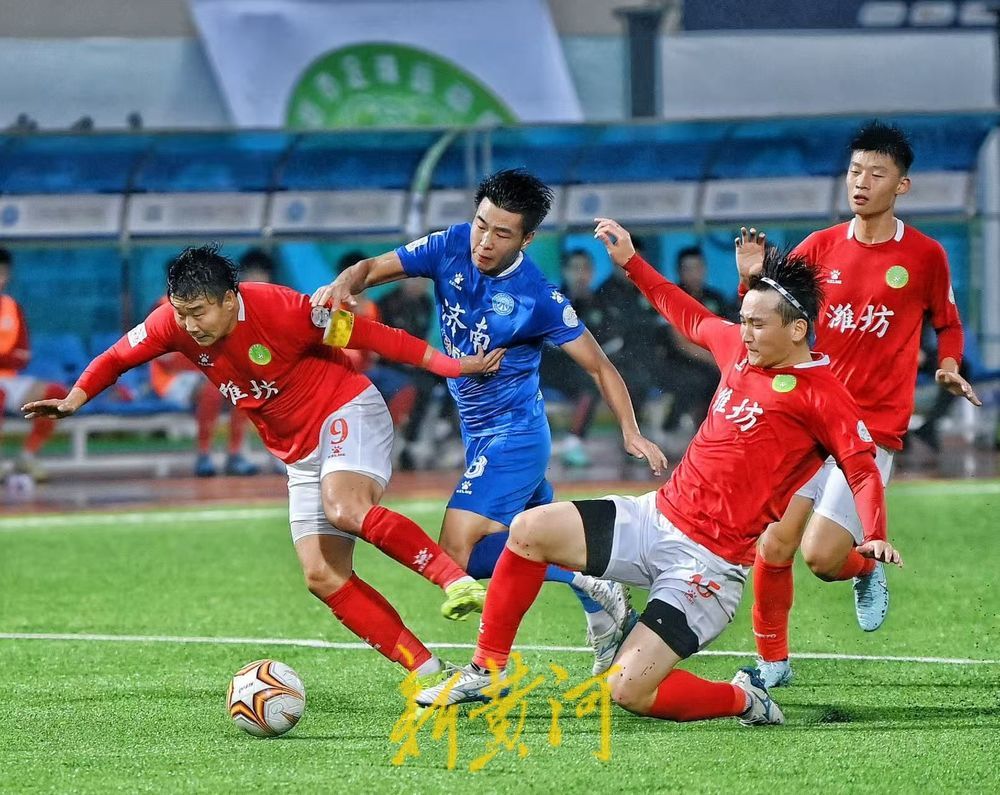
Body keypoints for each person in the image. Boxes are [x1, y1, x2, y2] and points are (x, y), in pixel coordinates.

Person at [416, 219, 900, 728]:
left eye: (758, 324)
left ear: (797, 330)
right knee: (528, 530)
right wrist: (630, 262)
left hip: (708, 566)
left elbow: (862, 470)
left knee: (628, 689)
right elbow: (686, 313)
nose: (745, 332)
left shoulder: (824, 395)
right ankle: (487, 670)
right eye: (743, 320)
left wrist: (874, 533)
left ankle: (744, 700)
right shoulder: (740, 351)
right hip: (654, 519)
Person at [23, 244, 505, 687]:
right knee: (322, 576)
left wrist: (455, 367)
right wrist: (74, 398)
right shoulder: (172, 322)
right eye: (181, 313)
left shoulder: (284, 310)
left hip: (346, 410)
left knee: (345, 508)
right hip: (297, 452)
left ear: (230, 299)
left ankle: (455, 581)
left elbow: (376, 337)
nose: (189, 325)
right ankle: (430, 672)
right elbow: (116, 358)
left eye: (199, 312)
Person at [312, 169, 668, 675]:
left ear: (527, 238)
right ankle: (598, 597)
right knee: (540, 538)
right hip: (478, 435)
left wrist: (631, 432)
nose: (484, 241)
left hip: (515, 437)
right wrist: (340, 286)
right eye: (481, 224)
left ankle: (575, 593)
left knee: (456, 553)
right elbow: (369, 269)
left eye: (502, 233)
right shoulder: (449, 245)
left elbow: (599, 367)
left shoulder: (537, 297)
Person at [735, 121, 979, 688]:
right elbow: (765, 313)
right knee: (774, 543)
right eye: (854, 171)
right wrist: (749, 279)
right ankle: (772, 665)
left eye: (876, 173)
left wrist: (948, 365)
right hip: (805, 419)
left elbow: (947, 323)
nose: (861, 182)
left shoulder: (925, 255)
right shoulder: (819, 247)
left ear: (902, 185)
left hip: (871, 430)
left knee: (823, 559)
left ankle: (865, 567)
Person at [149, 248, 278, 477]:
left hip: (208, 372)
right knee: (213, 387)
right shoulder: (164, 306)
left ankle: (236, 455)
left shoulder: (214, 305)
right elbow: (162, 356)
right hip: (170, 379)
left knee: (243, 385)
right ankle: (204, 454)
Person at [0, 248, 69, 481]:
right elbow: (14, 355)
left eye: (3, 273)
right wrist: (9, 356)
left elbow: (23, 355)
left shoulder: (12, 307)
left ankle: (27, 456)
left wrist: (7, 359)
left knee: (55, 394)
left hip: (9, 378)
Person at [657, 247, 730, 444]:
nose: (694, 273)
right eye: (688, 269)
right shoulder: (671, 297)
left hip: (714, 361)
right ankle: (671, 429)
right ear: (679, 271)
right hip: (676, 363)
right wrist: (718, 362)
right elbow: (682, 345)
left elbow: (728, 334)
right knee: (695, 380)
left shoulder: (716, 299)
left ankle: (714, 432)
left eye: (697, 267)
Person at [541, 249, 603, 468]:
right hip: (550, 368)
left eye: (585, 269)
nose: (580, 274)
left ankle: (573, 442)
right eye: (574, 268)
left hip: (582, 370)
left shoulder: (600, 303)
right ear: (565, 271)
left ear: (592, 272)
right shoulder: (551, 300)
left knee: (594, 381)